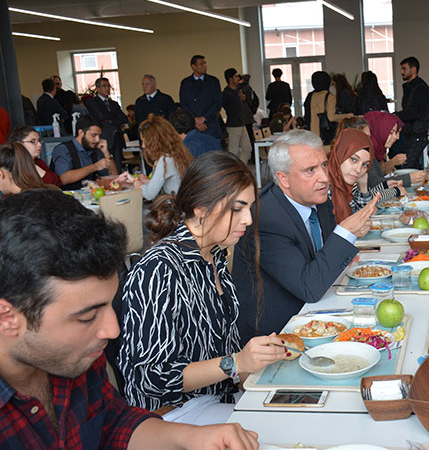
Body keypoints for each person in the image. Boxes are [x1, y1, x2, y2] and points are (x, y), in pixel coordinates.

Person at [0, 189, 260, 449]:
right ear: (7, 317)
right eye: (88, 316)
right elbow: (153, 378)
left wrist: (194, 437)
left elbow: (114, 422)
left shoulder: (76, 358)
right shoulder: (160, 268)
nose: (113, 330)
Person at [118, 152, 286, 412]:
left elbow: (224, 354)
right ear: (201, 209)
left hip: (219, 402)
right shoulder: (158, 269)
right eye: (237, 208)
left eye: (249, 208)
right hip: (172, 416)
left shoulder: (215, 255)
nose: (248, 220)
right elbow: (150, 378)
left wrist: (253, 361)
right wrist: (236, 362)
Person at [232, 130, 378, 343]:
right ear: (284, 179)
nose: (324, 177)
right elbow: (309, 286)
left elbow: (325, 257)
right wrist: (346, 233)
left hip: (315, 311)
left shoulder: (315, 198)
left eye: (324, 165)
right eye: (310, 170)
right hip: (276, 334)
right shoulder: (265, 219)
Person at [328, 128, 403, 223]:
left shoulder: (347, 182)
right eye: (354, 160)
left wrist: (363, 186)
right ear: (341, 153)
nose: (358, 170)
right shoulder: (324, 186)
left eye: (364, 165)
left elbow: (362, 214)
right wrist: (393, 191)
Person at [133, 115, 193, 201]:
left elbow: (149, 194)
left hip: (175, 209)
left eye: (144, 141)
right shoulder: (176, 154)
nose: (143, 145)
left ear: (154, 141)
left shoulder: (166, 160)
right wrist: (143, 181)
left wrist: (134, 181)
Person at [51, 115, 118, 190]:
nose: (97, 140)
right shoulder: (63, 149)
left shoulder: (95, 149)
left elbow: (113, 178)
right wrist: (95, 167)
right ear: (81, 132)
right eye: (94, 135)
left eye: (99, 136)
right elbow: (64, 179)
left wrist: (106, 153)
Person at [364, 111, 425, 188]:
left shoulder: (378, 151)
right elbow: (375, 184)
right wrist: (409, 178)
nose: (397, 137)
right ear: (379, 131)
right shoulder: (366, 153)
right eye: (391, 133)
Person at [394, 56, 429, 169]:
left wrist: (396, 115)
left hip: (417, 133)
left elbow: (415, 113)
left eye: (404, 68)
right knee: (410, 165)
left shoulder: (420, 88)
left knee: (407, 166)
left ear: (413, 69)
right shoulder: (410, 87)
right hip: (409, 133)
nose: (401, 72)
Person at [84, 77, 128, 171]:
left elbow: (124, 118)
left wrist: (110, 120)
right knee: (105, 164)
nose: (107, 88)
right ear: (98, 88)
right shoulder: (92, 102)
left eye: (108, 86)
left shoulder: (114, 104)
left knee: (118, 165)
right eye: (104, 86)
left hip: (116, 137)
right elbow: (100, 116)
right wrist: (114, 116)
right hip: (104, 137)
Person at [179, 54, 223, 139]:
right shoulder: (186, 83)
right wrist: (194, 120)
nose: (204, 66)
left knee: (214, 151)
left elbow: (218, 103)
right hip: (192, 127)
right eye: (201, 64)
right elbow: (184, 104)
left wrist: (204, 118)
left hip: (210, 125)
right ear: (193, 66)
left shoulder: (213, 81)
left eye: (205, 63)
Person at [303, 71, 352, 144]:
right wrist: (348, 116)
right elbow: (331, 117)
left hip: (311, 135)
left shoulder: (310, 96)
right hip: (324, 135)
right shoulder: (329, 96)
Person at [222, 68, 253, 163]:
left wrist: (242, 99)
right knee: (233, 151)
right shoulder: (226, 93)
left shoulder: (238, 91)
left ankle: (241, 169)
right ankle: (233, 172)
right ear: (230, 79)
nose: (238, 78)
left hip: (242, 123)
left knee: (247, 148)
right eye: (235, 76)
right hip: (233, 125)